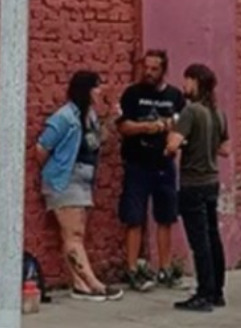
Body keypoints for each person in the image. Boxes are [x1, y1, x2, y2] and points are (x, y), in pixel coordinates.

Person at [35, 71, 124, 301]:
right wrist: (55, 171)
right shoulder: (65, 117)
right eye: (96, 87)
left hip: (84, 179)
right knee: (73, 234)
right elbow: (42, 147)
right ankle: (93, 284)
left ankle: (79, 284)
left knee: (75, 234)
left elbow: (96, 142)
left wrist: (111, 117)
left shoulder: (90, 115)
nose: (99, 91)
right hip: (65, 180)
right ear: (85, 90)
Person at [117, 50, 187, 292]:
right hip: (137, 163)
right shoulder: (132, 94)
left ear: (163, 70)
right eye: (145, 67)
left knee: (166, 217)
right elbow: (123, 127)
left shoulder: (175, 96)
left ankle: (165, 268)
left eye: (154, 68)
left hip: (164, 165)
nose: (148, 72)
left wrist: (171, 131)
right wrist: (148, 127)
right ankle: (133, 269)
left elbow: (182, 126)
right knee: (134, 218)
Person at [166, 64, 230, 311]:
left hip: (193, 182)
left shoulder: (191, 111)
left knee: (199, 241)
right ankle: (217, 291)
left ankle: (203, 292)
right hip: (212, 181)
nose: (184, 86)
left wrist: (176, 135)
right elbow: (225, 149)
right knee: (213, 237)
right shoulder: (218, 113)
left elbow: (173, 145)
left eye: (186, 81)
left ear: (195, 82)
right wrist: (206, 144)